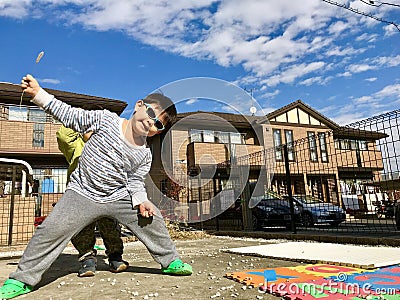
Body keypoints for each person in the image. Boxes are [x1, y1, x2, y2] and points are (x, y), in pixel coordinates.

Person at [0, 74, 192, 299]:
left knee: (153, 218)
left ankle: (170, 261)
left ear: (158, 131)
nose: (151, 122)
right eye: (150, 113)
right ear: (139, 105)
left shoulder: (144, 154)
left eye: (158, 124)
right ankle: (22, 279)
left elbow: (134, 181)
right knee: (50, 229)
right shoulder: (106, 120)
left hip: (118, 196)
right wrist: (39, 95)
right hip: (82, 193)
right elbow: (71, 116)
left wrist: (142, 201)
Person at [56, 125, 128, 277]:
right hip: (82, 195)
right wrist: (81, 120)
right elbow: (63, 136)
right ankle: (87, 258)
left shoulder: (109, 147)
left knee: (111, 226)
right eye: (91, 130)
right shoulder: (77, 146)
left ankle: (115, 256)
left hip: (106, 194)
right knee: (82, 228)